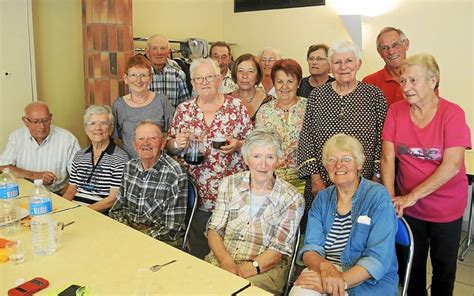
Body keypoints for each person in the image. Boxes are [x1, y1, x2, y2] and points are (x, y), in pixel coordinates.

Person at [381, 53, 471, 296]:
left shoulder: (452, 114)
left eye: (413, 81)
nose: (406, 88)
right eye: (403, 81)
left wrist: (412, 196)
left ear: (433, 81)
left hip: (445, 208)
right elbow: (388, 158)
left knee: (443, 269)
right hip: (408, 209)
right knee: (411, 267)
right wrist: (391, 199)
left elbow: (452, 166)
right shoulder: (396, 111)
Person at [291, 133, 398, 296]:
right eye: (332, 160)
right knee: (300, 293)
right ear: (326, 166)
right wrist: (325, 267)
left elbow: (377, 259)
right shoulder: (322, 198)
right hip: (325, 271)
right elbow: (311, 249)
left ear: (359, 164)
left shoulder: (378, 197)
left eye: (346, 159)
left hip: (365, 280)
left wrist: (340, 281)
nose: (338, 165)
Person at [167, 58, 252, 259]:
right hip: (196, 194)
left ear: (220, 79)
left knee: (227, 252)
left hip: (231, 194)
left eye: (209, 77)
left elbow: (252, 142)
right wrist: (177, 143)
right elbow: (169, 146)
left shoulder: (236, 107)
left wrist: (238, 144)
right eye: (199, 78)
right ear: (193, 83)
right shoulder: (184, 110)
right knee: (198, 249)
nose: (204, 82)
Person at [297, 40, 387, 232]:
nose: (343, 67)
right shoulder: (317, 96)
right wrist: (315, 178)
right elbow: (307, 136)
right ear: (330, 66)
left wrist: (376, 178)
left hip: (363, 182)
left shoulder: (374, 96)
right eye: (337, 62)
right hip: (322, 181)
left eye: (349, 61)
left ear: (358, 64)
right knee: (322, 232)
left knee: (360, 232)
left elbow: (383, 141)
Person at [206, 128, 304, 294]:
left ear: (278, 160)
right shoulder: (229, 184)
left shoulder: (292, 198)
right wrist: (226, 262)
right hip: (223, 261)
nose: (263, 164)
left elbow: (277, 251)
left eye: (270, 157)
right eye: (256, 156)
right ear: (246, 158)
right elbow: (214, 230)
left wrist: (240, 273)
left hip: (264, 271)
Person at [109, 121, 187, 247]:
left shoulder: (175, 174)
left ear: (162, 143)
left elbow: (171, 229)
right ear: (135, 144)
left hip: (160, 241)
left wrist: (136, 239)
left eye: (152, 138)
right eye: (141, 139)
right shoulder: (130, 167)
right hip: (127, 233)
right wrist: (124, 233)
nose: (145, 143)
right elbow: (117, 210)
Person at [0, 102, 80, 194]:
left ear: (50, 118)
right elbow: (3, 167)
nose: (41, 126)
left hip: (57, 194)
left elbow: (78, 178)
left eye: (45, 120)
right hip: (23, 193)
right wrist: (35, 175)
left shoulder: (67, 139)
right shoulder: (16, 137)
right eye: (35, 121)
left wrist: (64, 198)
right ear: (25, 121)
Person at [62, 105, 129, 213]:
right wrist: (63, 209)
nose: (97, 128)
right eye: (92, 123)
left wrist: (83, 212)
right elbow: (71, 190)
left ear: (111, 129)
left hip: (99, 213)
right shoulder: (79, 155)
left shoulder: (120, 158)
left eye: (103, 123)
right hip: (74, 209)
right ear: (86, 129)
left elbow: (112, 199)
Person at [256, 59, 306, 192]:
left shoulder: (309, 107)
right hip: (272, 181)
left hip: (305, 180)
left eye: (290, 81)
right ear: (274, 83)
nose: (285, 87)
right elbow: (259, 147)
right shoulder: (264, 111)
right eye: (280, 81)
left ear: (298, 83)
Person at [112, 55, 175, 158]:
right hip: (129, 165)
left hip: (158, 164)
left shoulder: (161, 101)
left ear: (150, 78)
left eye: (143, 75)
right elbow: (115, 139)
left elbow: (172, 133)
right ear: (126, 78)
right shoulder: (118, 105)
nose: (138, 80)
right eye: (133, 75)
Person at [362, 27, 409, 106]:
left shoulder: (422, 77)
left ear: (406, 44)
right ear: (379, 52)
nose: (391, 51)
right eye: (385, 48)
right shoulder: (369, 83)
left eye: (395, 45)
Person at [145, 34, 191, 108]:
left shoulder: (178, 75)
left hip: (172, 119)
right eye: (154, 48)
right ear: (147, 52)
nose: (159, 52)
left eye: (163, 48)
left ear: (168, 52)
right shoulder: (139, 76)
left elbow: (185, 107)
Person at [230, 53, 274, 122]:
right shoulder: (224, 101)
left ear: (257, 76)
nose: (245, 76)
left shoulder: (270, 102)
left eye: (250, 71)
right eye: (240, 71)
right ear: (235, 75)